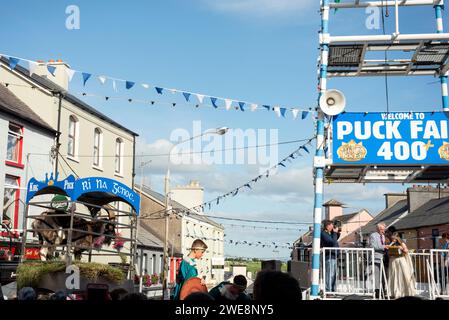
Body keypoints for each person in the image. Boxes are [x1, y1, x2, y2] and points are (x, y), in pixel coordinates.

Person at [387, 232, 416, 298]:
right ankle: (395, 292)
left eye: (394, 239)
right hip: (393, 261)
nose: (393, 240)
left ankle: (405, 292)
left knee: (402, 276)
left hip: (400, 260)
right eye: (392, 239)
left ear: (397, 238)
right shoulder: (391, 244)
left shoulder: (402, 243)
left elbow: (406, 251)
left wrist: (401, 248)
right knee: (394, 276)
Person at [368, 223, 389, 298]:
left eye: (384, 229)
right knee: (377, 277)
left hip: (383, 258)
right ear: (378, 229)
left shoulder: (383, 236)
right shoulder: (373, 235)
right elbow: (372, 246)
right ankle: (377, 293)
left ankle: (382, 292)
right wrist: (384, 247)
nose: (383, 231)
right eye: (382, 229)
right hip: (376, 259)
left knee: (383, 276)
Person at [320, 220, 340, 293]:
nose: (332, 227)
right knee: (330, 273)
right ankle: (328, 290)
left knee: (334, 274)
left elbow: (336, 239)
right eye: (331, 225)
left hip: (334, 256)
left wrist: (336, 232)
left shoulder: (330, 233)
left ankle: (333, 290)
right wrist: (334, 233)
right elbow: (331, 242)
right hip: (329, 256)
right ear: (327, 226)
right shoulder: (323, 233)